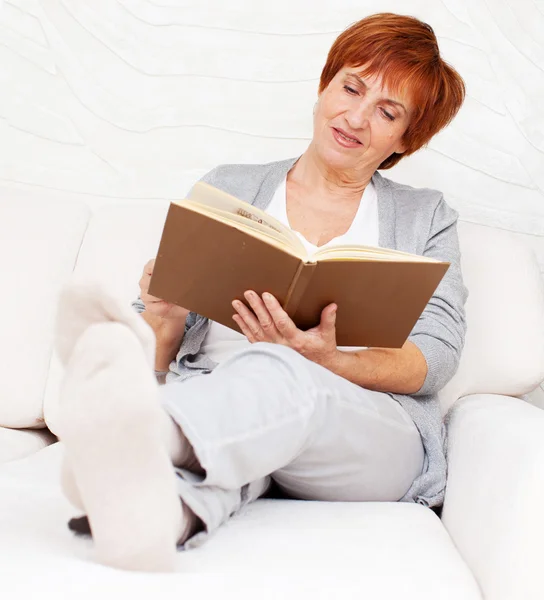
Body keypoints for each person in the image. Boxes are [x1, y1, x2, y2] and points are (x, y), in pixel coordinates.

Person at [54, 12, 468, 572]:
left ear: (406, 138)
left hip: (368, 434)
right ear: (325, 85)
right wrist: (163, 316)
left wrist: (324, 359)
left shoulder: (427, 218)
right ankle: (152, 518)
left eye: (387, 112)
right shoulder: (230, 186)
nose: (356, 116)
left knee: (281, 370)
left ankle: (137, 427)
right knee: (242, 446)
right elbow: (160, 342)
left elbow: (436, 359)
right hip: (230, 410)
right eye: (351, 87)